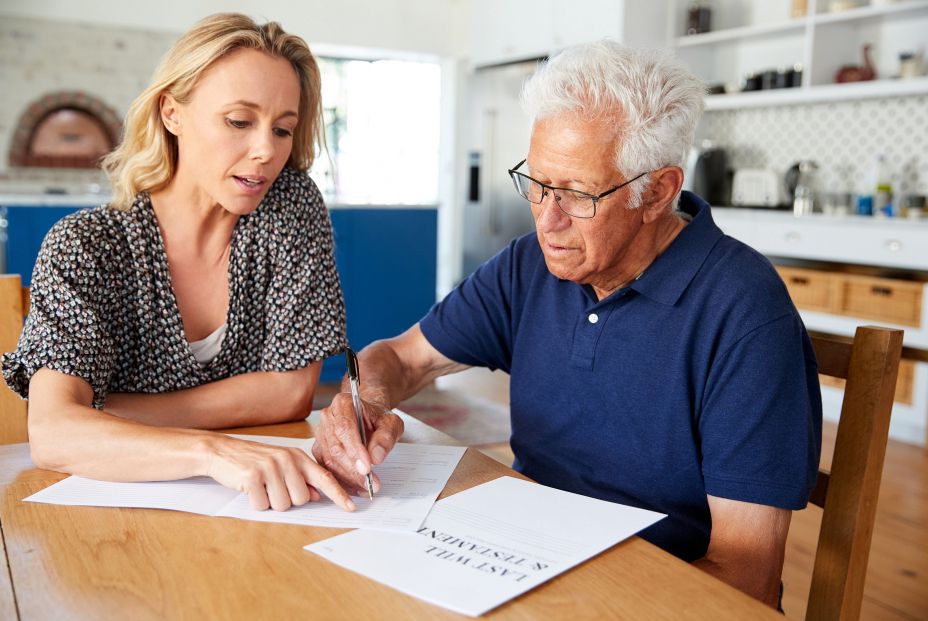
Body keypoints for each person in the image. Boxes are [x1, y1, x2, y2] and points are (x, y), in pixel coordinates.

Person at [312, 40, 822, 608]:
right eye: (537, 182)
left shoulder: (744, 313)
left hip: (647, 596)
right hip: (520, 561)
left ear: (657, 192)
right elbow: (403, 357)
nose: (546, 219)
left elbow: (745, 578)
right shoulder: (531, 265)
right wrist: (366, 405)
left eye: (578, 194)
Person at [2, 13, 355, 513]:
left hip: (255, 511)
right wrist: (212, 450)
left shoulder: (288, 205)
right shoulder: (87, 245)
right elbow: (55, 433)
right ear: (172, 113)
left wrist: (109, 413)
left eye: (282, 129)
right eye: (239, 121)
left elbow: (292, 393)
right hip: (117, 518)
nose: (265, 151)